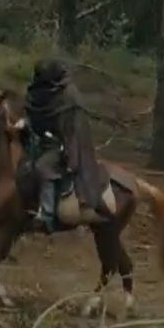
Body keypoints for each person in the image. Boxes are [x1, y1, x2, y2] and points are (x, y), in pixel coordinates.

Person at [24, 59, 111, 232]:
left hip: (61, 145)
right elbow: (31, 113)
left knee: (43, 167)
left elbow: (72, 129)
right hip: (37, 140)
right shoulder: (37, 92)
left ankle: (46, 214)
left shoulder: (68, 95)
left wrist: (68, 151)